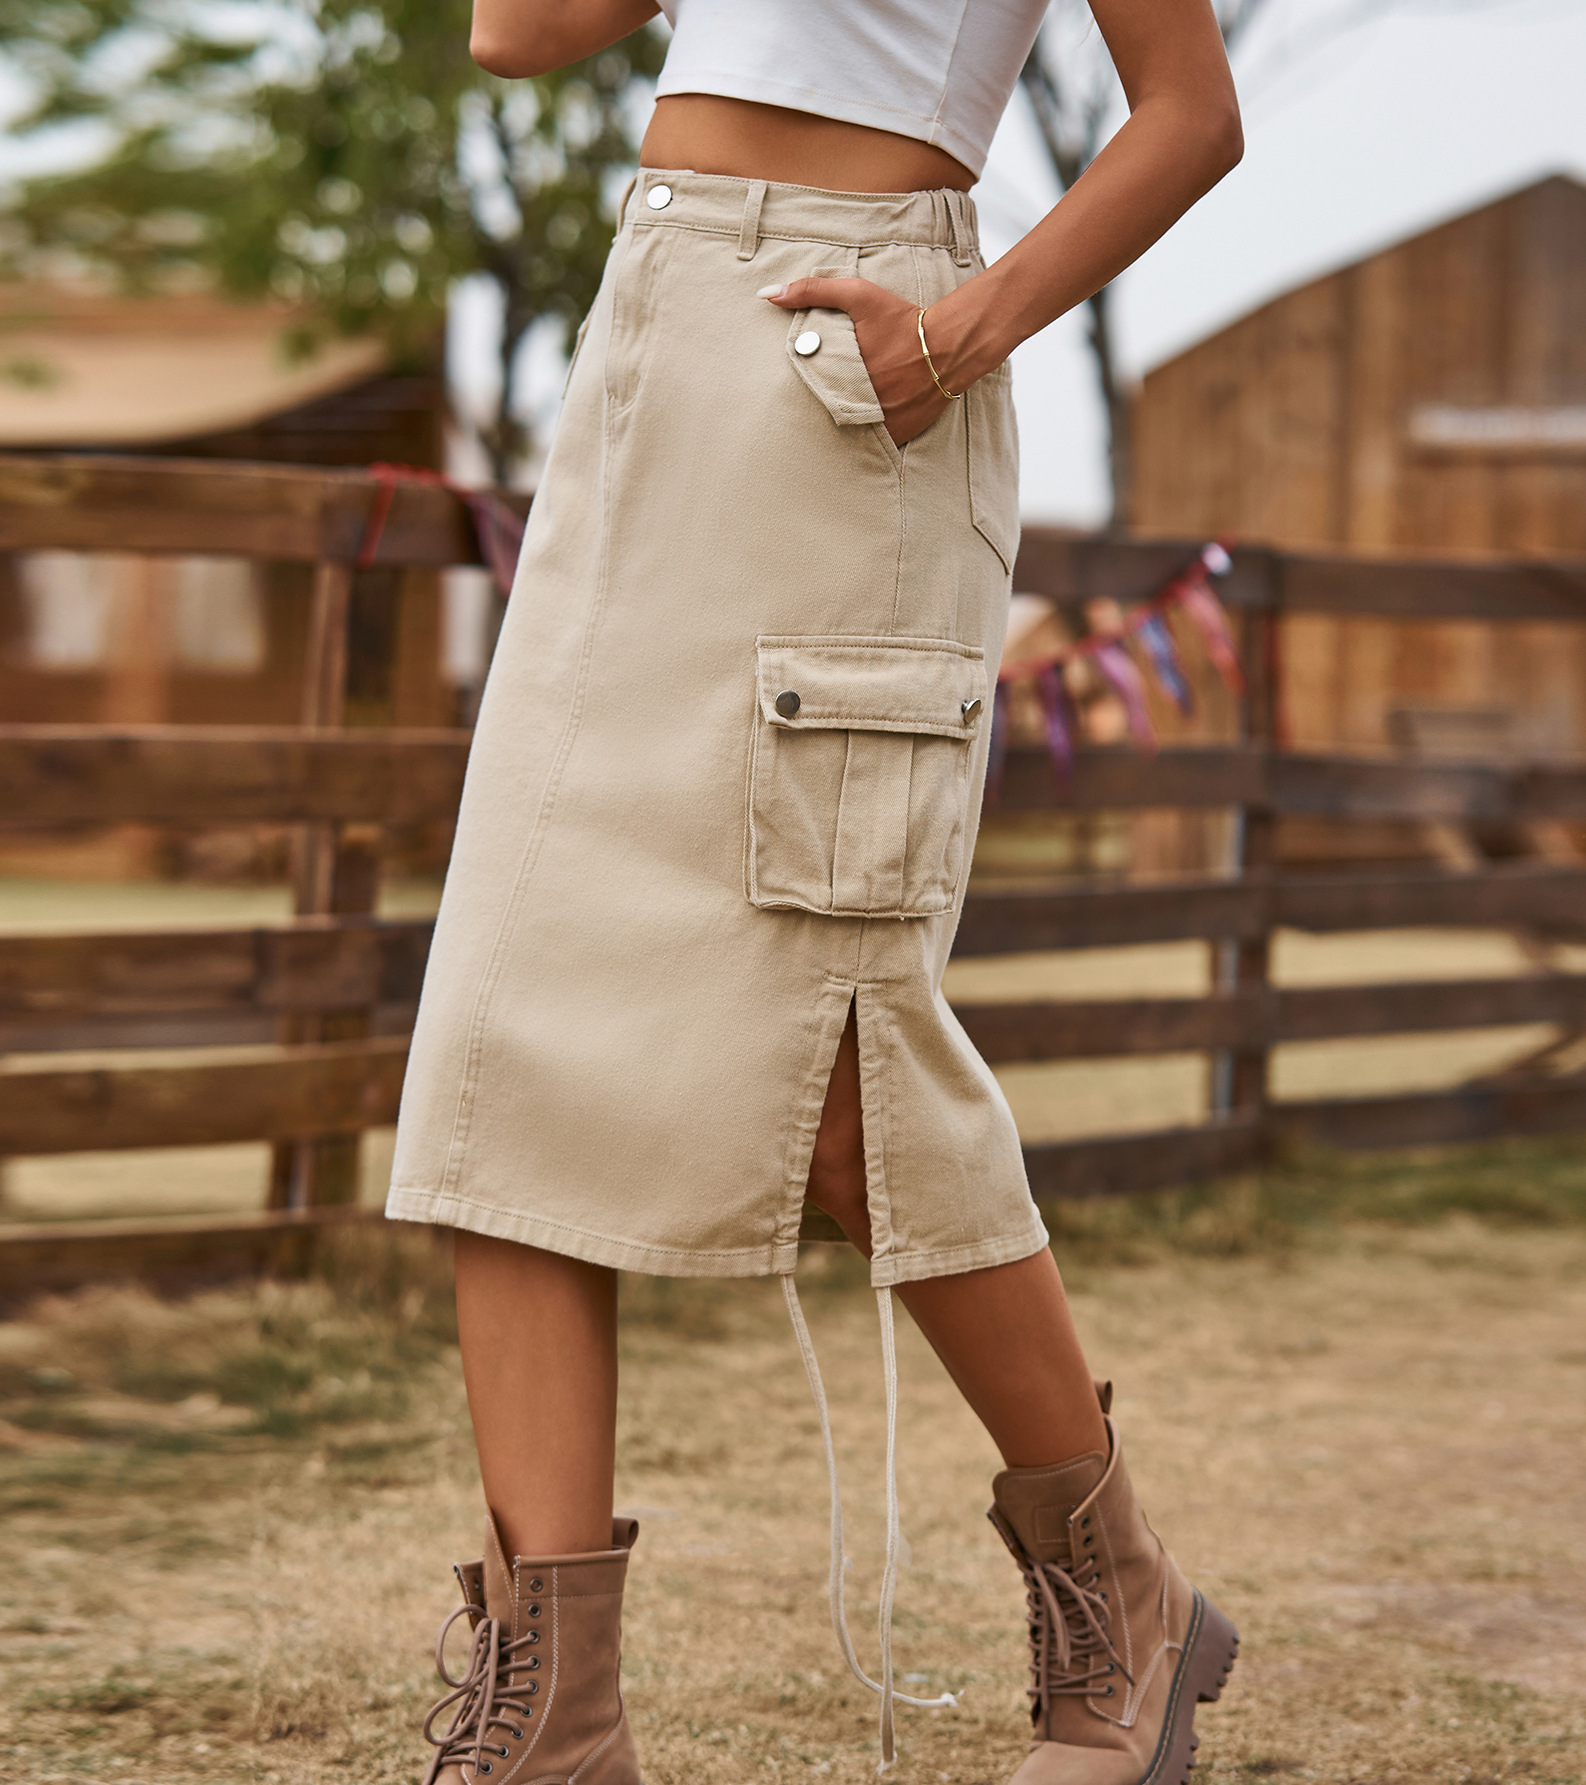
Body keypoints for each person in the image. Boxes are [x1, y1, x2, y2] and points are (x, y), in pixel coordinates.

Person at [387, 4, 1244, 1781]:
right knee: (503, 1045)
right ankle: (552, 1726)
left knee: (844, 1073)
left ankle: (1121, 1590)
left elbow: (1188, 113)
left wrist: (962, 328)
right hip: (652, 342)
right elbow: (518, 36)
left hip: (857, 370)